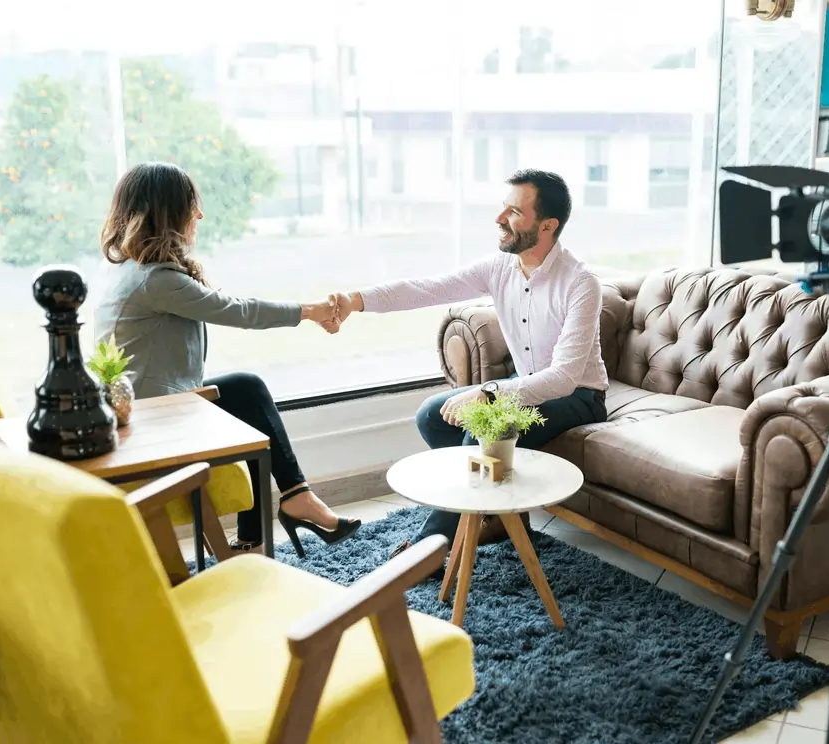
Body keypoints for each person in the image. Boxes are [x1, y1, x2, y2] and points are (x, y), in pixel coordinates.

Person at [327, 169, 609, 557]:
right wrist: (356, 300)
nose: (499, 220)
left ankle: (433, 548)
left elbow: (562, 379)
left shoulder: (580, 282)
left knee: (483, 429)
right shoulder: (499, 268)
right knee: (432, 415)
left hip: (579, 395)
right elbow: (426, 288)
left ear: (547, 225)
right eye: (502, 209)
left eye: (513, 212)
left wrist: (487, 392)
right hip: (528, 384)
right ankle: (495, 518)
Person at [93, 162, 361, 556]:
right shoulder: (155, 280)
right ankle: (295, 502)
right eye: (191, 205)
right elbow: (238, 310)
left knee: (243, 399)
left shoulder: (133, 270)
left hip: (144, 407)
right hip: (154, 417)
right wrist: (312, 310)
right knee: (246, 391)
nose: (199, 215)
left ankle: (269, 522)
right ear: (167, 213)